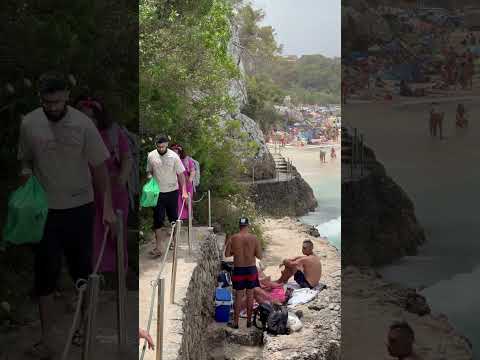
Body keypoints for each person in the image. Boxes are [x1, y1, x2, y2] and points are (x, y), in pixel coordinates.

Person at [18, 71, 116, 358]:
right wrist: (25, 180)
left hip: (79, 208)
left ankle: (84, 329)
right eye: (48, 103)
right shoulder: (29, 123)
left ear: (66, 99)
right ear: (40, 99)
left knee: (82, 272)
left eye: (58, 102)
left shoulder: (83, 125)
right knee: (45, 276)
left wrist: (107, 207)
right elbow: (25, 161)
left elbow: (100, 168)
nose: (53, 108)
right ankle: (47, 339)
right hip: (44, 211)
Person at [75, 95, 133, 273]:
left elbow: (126, 157)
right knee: (92, 231)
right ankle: (93, 271)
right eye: (83, 115)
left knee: (115, 231)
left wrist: (122, 178)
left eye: (91, 116)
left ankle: (117, 271)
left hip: (114, 190)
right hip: (86, 189)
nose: (88, 119)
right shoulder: (75, 135)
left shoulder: (114, 134)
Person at [147, 135, 188, 257]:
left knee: (174, 219)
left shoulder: (174, 156)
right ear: (156, 145)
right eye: (159, 146)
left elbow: (181, 175)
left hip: (172, 192)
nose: (161, 149)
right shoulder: (151, 156)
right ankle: (158, 247)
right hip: (157, 193)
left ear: (167, 144)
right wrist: (150, 179)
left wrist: (184, 191)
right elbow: (149, 171)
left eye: (163, 146)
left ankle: (174, 243)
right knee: (157, 221)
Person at [224, 218, 262, 329]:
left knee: (238, 296)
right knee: (250, 295)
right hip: (251, 269)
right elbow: (259, 256)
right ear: (248, 226)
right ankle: (249, 322)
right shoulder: (254, 238)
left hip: (239, 269)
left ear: (239, 226)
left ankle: (235, 323)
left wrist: (234, 250)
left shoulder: (233, 238)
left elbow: (226, 254)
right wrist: (251, 251)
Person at [170, 143, 195, 221]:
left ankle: (190, 217)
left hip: (187, 183)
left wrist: (190, 180)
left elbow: (193, 171)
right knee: (178, 202)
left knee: (187, 202)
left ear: (179, 152)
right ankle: (179, 219)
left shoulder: (187, 160)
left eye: (175, 151)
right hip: (176, 184)